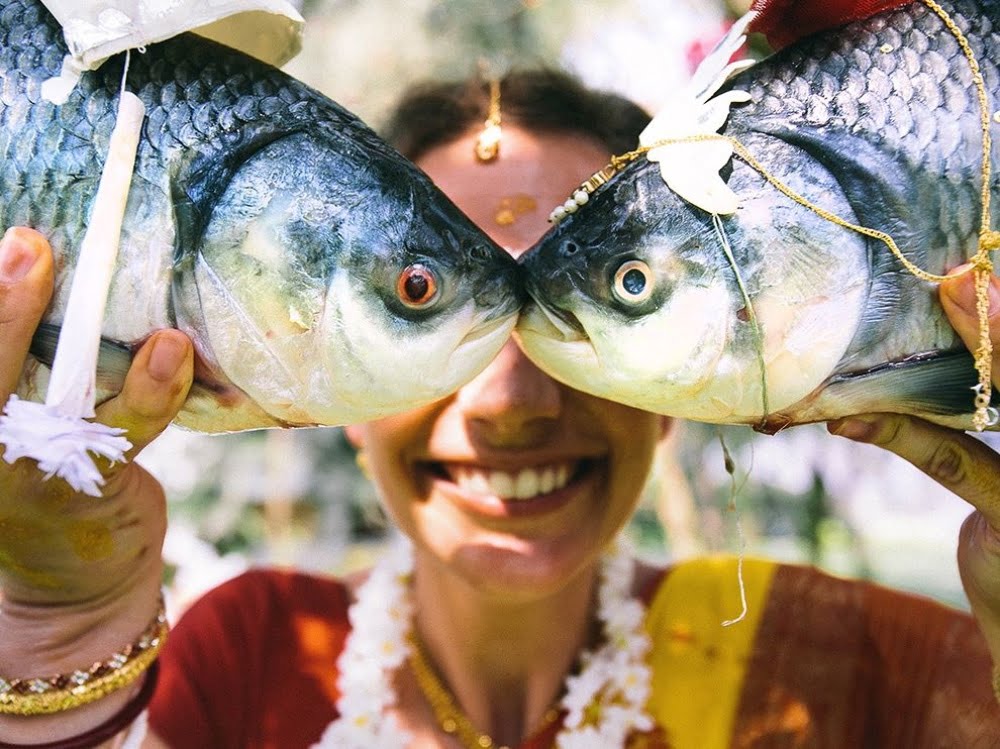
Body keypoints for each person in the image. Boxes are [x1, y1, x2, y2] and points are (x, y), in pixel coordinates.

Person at [0, 68, 999, 749]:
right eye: (420, 305)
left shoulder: (874, 664)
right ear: (325, 400)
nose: (508, 404)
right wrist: (55, 617)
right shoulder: (245, 656)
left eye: (599, 311)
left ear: (670, 398)